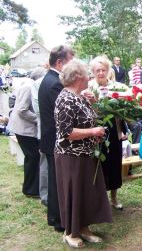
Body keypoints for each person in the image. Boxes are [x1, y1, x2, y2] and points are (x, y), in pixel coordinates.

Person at [54, 60, 112, 248]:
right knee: (73, 192)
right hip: (70, 155)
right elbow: (67, 133)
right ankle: (70, 232)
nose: (90, 76)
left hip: (86, 153)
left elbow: (89, 119)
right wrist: (92, 132)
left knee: (86, 192)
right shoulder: (65, 99)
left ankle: (84, 228)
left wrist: (93, 105)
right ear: (78, 77)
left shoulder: (79, 96)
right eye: (87, 73)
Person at [39, 45, 75, 232]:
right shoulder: (55, 83)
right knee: (58, 182)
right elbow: (62, 116)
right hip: (55, 139)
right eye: (70, 62)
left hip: (49, 138)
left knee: (55, 182)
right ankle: (60, 220)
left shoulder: (50, 79)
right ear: (60, 62)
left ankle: (55, 217)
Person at [85, 56, 128, 210]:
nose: (101, 73)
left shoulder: (118, 87)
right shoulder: (87, 87)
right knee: (98, 165)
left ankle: (114, 198)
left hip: (114, 131)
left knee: (114, 164)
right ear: (93, 72)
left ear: (109, 70)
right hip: (95, 132)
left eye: (104, 70)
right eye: (98, 70)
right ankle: (99, 199)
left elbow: (124, 110)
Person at [8, 68, 46, 198]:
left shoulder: (29, 86)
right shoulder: (29, 87)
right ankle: (30, 189)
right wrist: (40, 119)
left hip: (26, 129)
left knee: (32, 158)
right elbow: (22, 110)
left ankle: (31, 188)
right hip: (24, 130)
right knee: (33, 158)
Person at [31, 67, 48, 207]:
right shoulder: (38, 84)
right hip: (46, 130)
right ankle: (46, 197)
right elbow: (38, 110)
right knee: (45, 163)